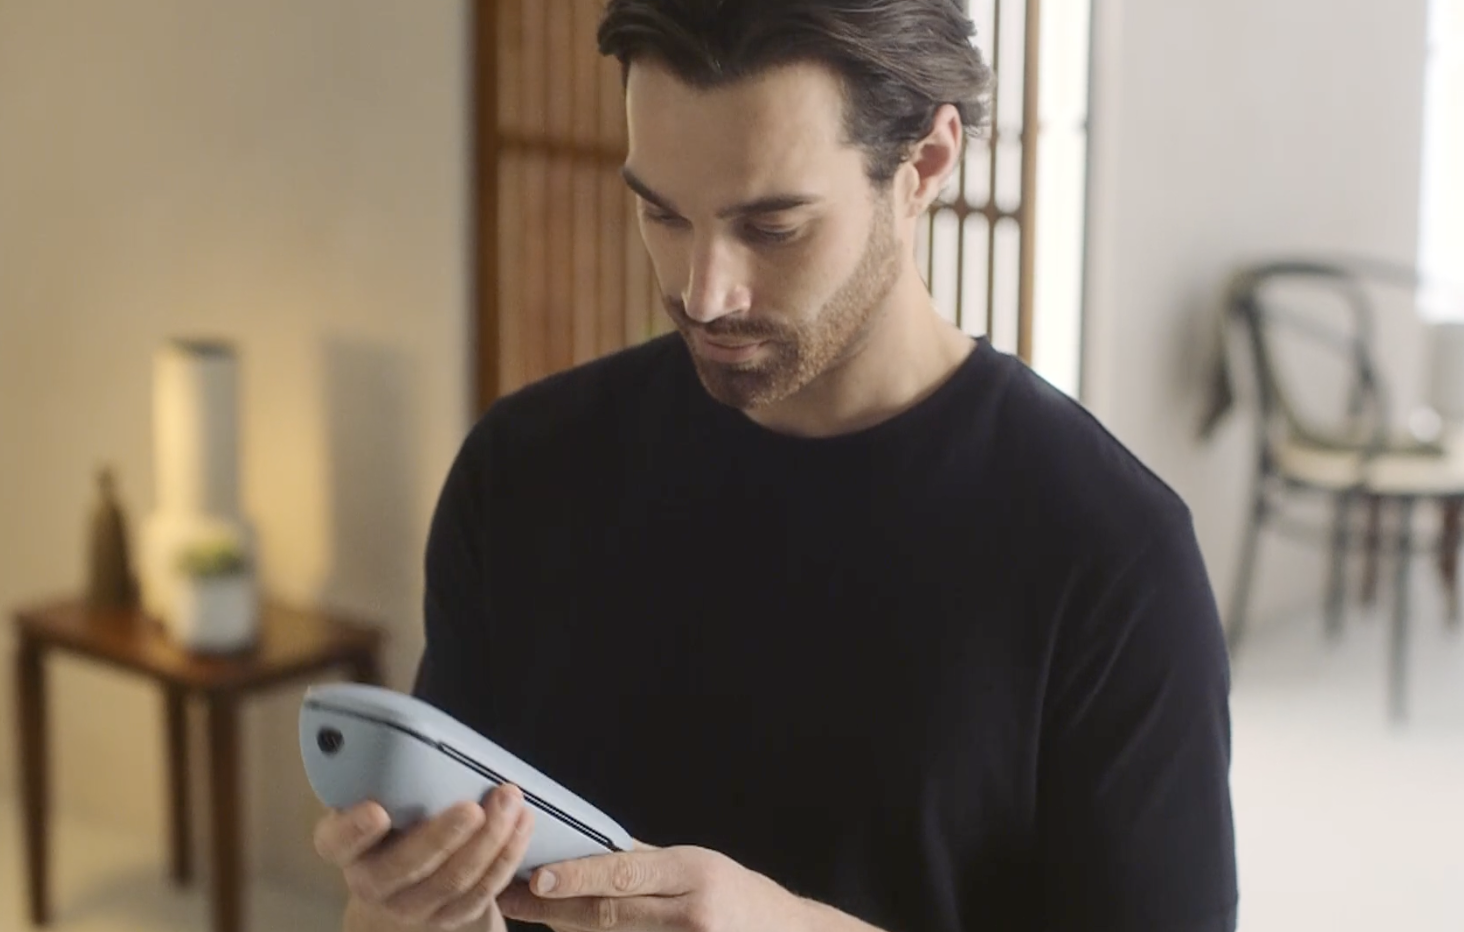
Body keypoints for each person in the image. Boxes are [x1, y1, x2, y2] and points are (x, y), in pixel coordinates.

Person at [313, 1, 1239, 930]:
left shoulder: (1112, 557)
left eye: (772, 227)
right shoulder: (520, 472)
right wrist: (401, 906)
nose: (703, 292)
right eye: (662, 212)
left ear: (924, 165)